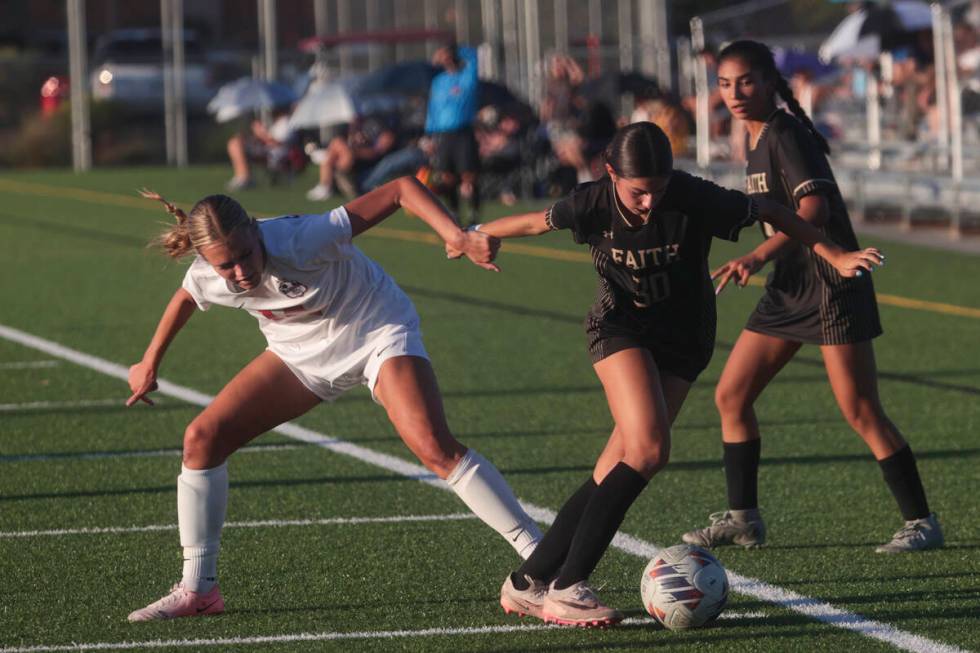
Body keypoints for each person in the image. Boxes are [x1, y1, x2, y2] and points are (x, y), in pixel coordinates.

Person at [447, 121, 881, 626]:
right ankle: (567, 587)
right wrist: (478, 237)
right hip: (620, 328)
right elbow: (536, 222)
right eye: (639, 191)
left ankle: (529, 582)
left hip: (685, 339)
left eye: (659, 189)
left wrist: (835, 253)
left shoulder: (693, 196)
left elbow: (774, 211)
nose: (651, 201)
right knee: (650, 449)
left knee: (617, 467)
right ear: (610, 173)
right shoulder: (592, 202)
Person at [125, 176, 542, 622]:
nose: (241, 272)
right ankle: (199, 589)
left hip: (375, 328)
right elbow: (186, 296)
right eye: (227, 266)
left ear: (254, 229)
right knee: (202, 439)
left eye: (247, 254)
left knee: (432, 446)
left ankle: (544, 560)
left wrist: (455, 235)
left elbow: (401, 189)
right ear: (206, 258)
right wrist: (149, 361)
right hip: (300, 353)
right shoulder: (210, 271)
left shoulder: (302, 238)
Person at [681, 40, 942, 555]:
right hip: (788, 287)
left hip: (829, 284)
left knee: (861, 410)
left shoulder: (784, 133)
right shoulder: (753, 138)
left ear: (770, 82)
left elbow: (814, 210)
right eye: (725, 83)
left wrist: (756, 257)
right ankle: (743, 520)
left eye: (746, 81)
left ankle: (921, 522)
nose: (734, 93)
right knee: (731, 396)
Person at [424, 43, 481, 225]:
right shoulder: (439, 82)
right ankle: (454, 213)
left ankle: (473, 213)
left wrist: (455, 50)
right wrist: (429, 135)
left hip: (463, 133)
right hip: (444, 135)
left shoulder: (466, 77)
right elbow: (433, 110)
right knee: (446, 177)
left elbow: (473, 55)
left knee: (468, 176)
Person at [306, 116, 398, 201]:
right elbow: (357, 139)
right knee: (338, 145)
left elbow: (378, 152)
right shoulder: (362, 121)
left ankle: (325, 184)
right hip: (353, 157)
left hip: (368, 158)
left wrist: (360, 143)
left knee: (338, 145)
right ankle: (326, 180)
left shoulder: (386, 130)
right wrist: (356, 139)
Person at [225, 107, 297, 192]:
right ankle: (242, 176)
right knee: (236, 142)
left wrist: (261, 134)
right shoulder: (271, 121)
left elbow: (280, 144)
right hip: (267, 151)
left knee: (236, 144)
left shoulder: (285, 122)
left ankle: (244, 178)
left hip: (278, 154)